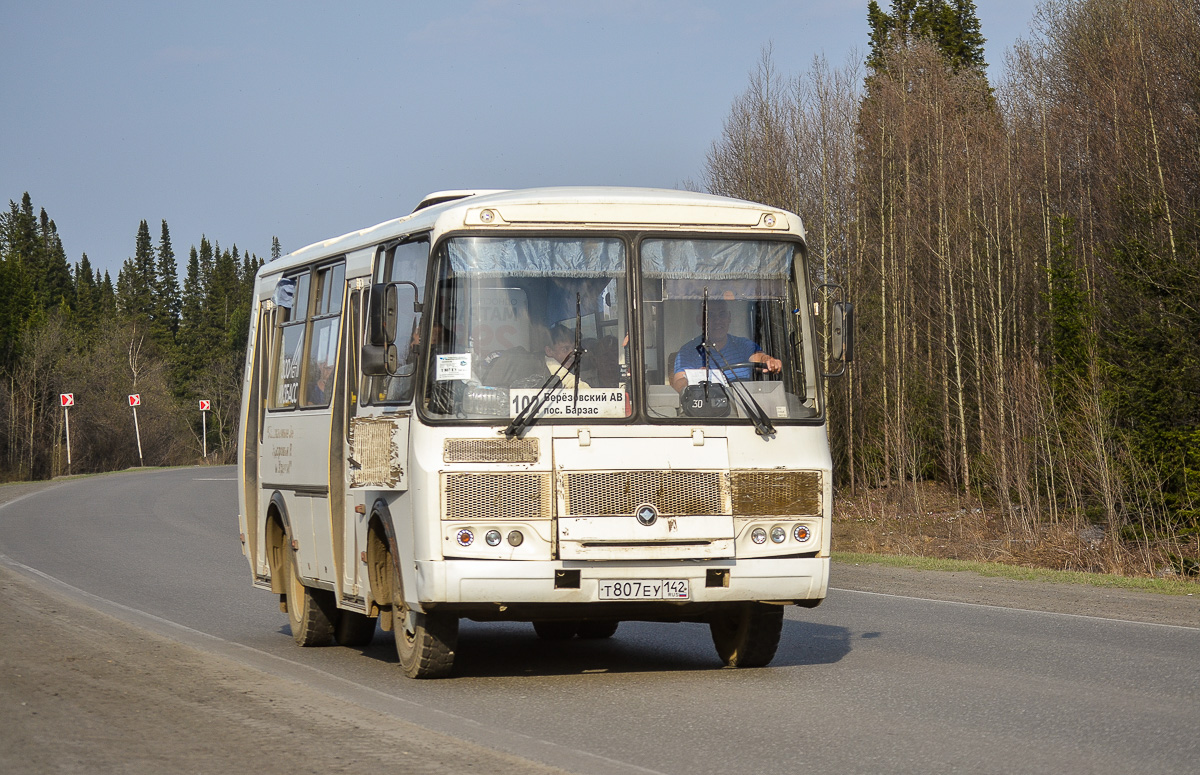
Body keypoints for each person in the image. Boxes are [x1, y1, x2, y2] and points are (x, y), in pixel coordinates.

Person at [670, 301, 781, 392]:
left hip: (746, 410)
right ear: (700, 321)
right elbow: (678, 385)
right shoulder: (688, 351)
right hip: (706, 412)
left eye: (722, 314)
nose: (718, 321)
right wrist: (697, 377)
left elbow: (759, 358)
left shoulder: (743, 345)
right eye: (710, 315)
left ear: (729, 318)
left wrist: (768, 360)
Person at [544, 324, 590, 389]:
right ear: (549, 351)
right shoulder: (549, 370)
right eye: (565, 349)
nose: (573, 355)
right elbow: (572, 383)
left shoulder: (577, 367)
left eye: (574, 348)